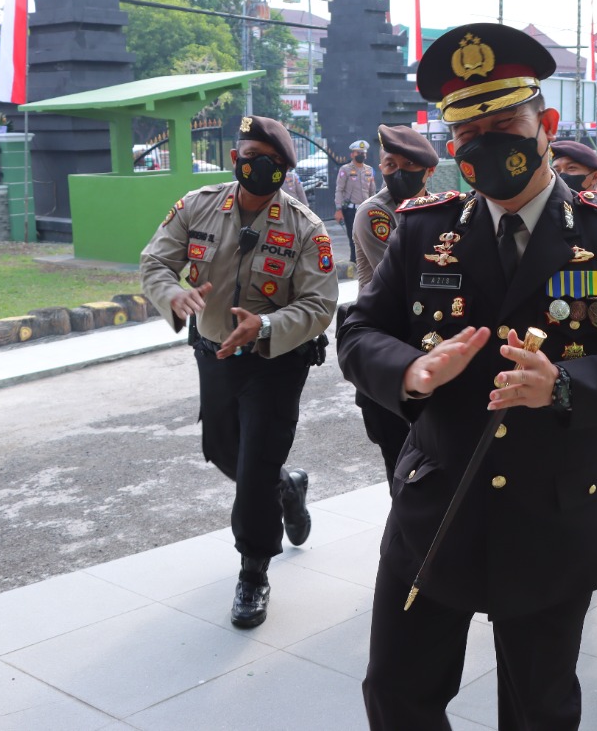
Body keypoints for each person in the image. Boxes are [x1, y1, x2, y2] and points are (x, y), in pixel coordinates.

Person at [337, 23, 597, 731]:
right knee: (397, 694)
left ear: (547, 124)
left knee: (539, 710)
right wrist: (410, 368)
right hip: (435, 507)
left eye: (503, 123)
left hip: (552, 514)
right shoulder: (420, 229)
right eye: (465, 132)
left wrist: (563, 384)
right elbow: (356, 332)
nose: (483, 144)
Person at [140, 115, 339, 628]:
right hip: (215, 355)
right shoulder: (197, 205)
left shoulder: (304, 228)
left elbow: (320, 304)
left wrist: (267, 324)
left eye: (272, 161)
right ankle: (288, 486)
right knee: (221, 449)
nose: (259, 166)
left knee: (252, 471)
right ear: (236, 159)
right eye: (251, 156)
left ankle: (254, 572)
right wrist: (173, 294)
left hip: (275, 362)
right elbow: (155, 262)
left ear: (284, 169)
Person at [352, 124, 441, 483]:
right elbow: (409, 277)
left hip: (429, 347)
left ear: (429, 171)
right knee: (401, 467)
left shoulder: (444, 209)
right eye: (390, 165)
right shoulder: (375, 214)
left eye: (408, 165)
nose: (398, 172)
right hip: (389, 345)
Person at [335, 139, 376, 262]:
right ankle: (354, 262)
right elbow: (339, 190)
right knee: (353, 238)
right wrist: (338, 209)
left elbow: (372, 192)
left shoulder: (369, 170)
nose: (361, 155)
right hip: (350, 210)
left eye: (363, 153)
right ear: (352, 154)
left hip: (365, 210)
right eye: (358, 153)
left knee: (367, 236)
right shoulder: (345, 169)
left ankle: (366, 261)